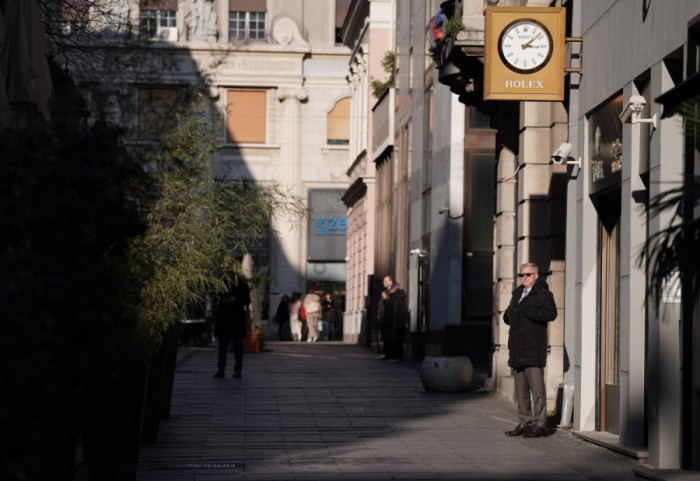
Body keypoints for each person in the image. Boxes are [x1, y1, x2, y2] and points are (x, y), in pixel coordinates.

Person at [503, 262, 557, 438]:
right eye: (522, 275)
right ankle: (525, 423)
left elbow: (551, 314)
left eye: (527, 274)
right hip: (518, 349)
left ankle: (540, 425)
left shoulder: (543, 294)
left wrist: (528, 312)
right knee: (521, 391)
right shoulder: (518, 293)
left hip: (533, 348)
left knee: (537, 390)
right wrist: (509, 315)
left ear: (536, 276)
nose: (524, 278)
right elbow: (509, 315)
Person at [213, 276, 251, 379]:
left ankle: (236, 370)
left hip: (235, 319)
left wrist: (236, 299)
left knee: (236, 346)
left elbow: (247, 300)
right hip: (226, 319)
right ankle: (223, 370)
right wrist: (223, 299)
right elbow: (215, 299)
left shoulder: (242, 284)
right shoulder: (222, 283)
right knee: (224, 346)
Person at [380, 275, 408, 360]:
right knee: (388, 338)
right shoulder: (386, 292)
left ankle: (396, 356)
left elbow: (392, 307)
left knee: (396, 339)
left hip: (396, 321)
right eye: (383, 281)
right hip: (388, 321)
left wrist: (385, 300)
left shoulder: (397, 293)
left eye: (385, 281)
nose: (383, 282)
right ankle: (388, 355)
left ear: (391, 282)